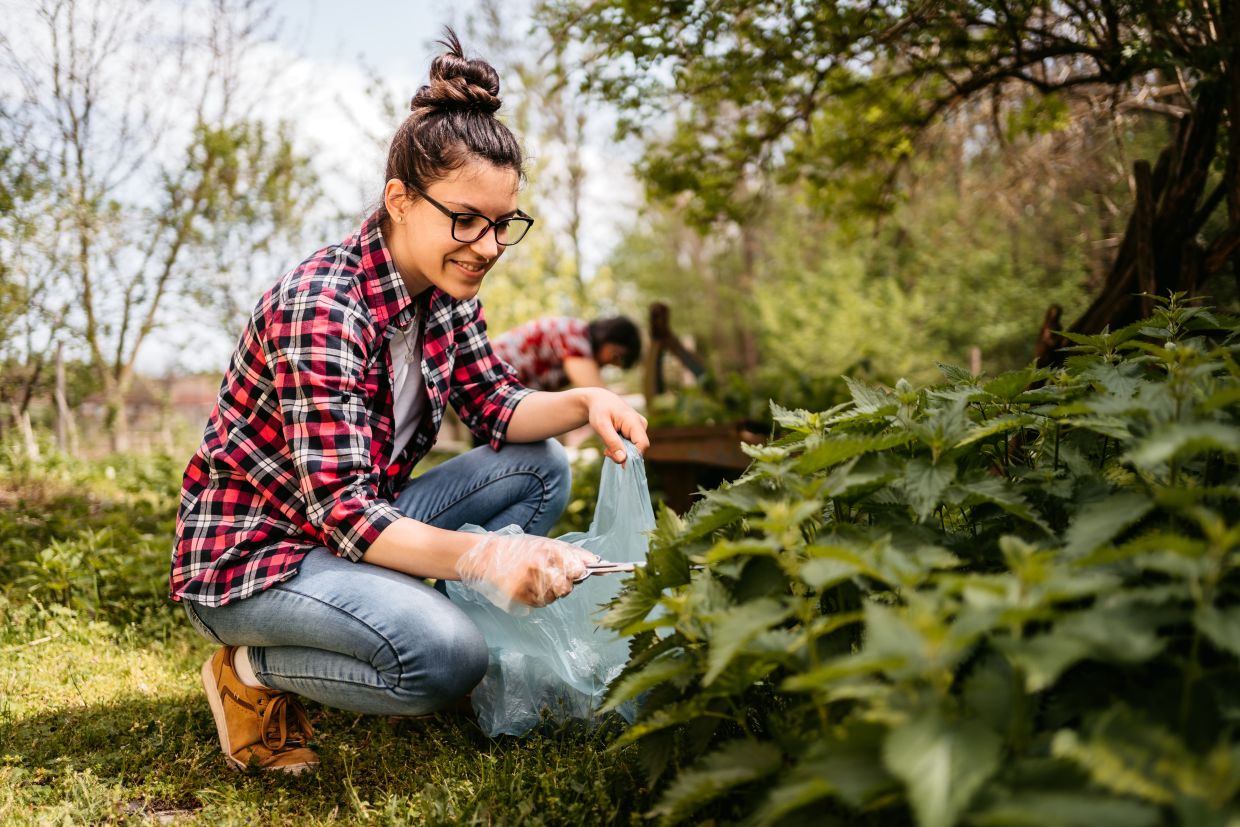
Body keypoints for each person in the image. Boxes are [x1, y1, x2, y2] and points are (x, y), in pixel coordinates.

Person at [168, 30, 649, 775]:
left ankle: (397, 618)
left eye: (502, 225)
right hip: (257, 561)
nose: (486, 246)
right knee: (444, 654)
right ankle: (251, 672)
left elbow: (497, 405)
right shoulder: (324, 308)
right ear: (399, 199)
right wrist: (490, 556)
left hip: (345, 536)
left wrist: (587, 399)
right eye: (466, 219)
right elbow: (348, 513)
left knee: (543, 464)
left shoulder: (444, 293)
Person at [491, 315, 642, 391]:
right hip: (488, 374)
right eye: (616, 356)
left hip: (502, 391)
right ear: (608, 338)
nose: (610, 363)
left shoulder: (579, 343)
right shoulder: (575, 334)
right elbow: (597, 393)